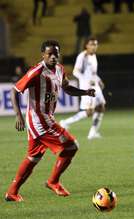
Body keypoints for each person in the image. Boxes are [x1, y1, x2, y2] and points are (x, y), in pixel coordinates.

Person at [4, 40, 95, 202]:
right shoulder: (37, 72)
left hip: (45, 119)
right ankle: (53, 182)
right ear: (43, 55)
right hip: (40, 120)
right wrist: (18, 115)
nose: (53, 57)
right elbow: (14, 90)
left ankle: (12, 192)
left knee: (33, 157)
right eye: (49, 54)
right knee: (72, 145)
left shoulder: (59, 69)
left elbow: (67, 88)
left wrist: (85, 92)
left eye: (56, 54)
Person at [60, 38, 106, 140]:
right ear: (86, 45)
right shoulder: (82, 56)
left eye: (96, 44)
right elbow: (76, 72)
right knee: (89, 112)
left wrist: (99, 80)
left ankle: (93, 133)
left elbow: (93, 72)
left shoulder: (93, 56)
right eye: (92, 44)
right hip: (87, 86)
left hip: (95, 86)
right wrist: (86, 80)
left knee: (101, 106)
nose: (94, 46)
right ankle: (65, 122)